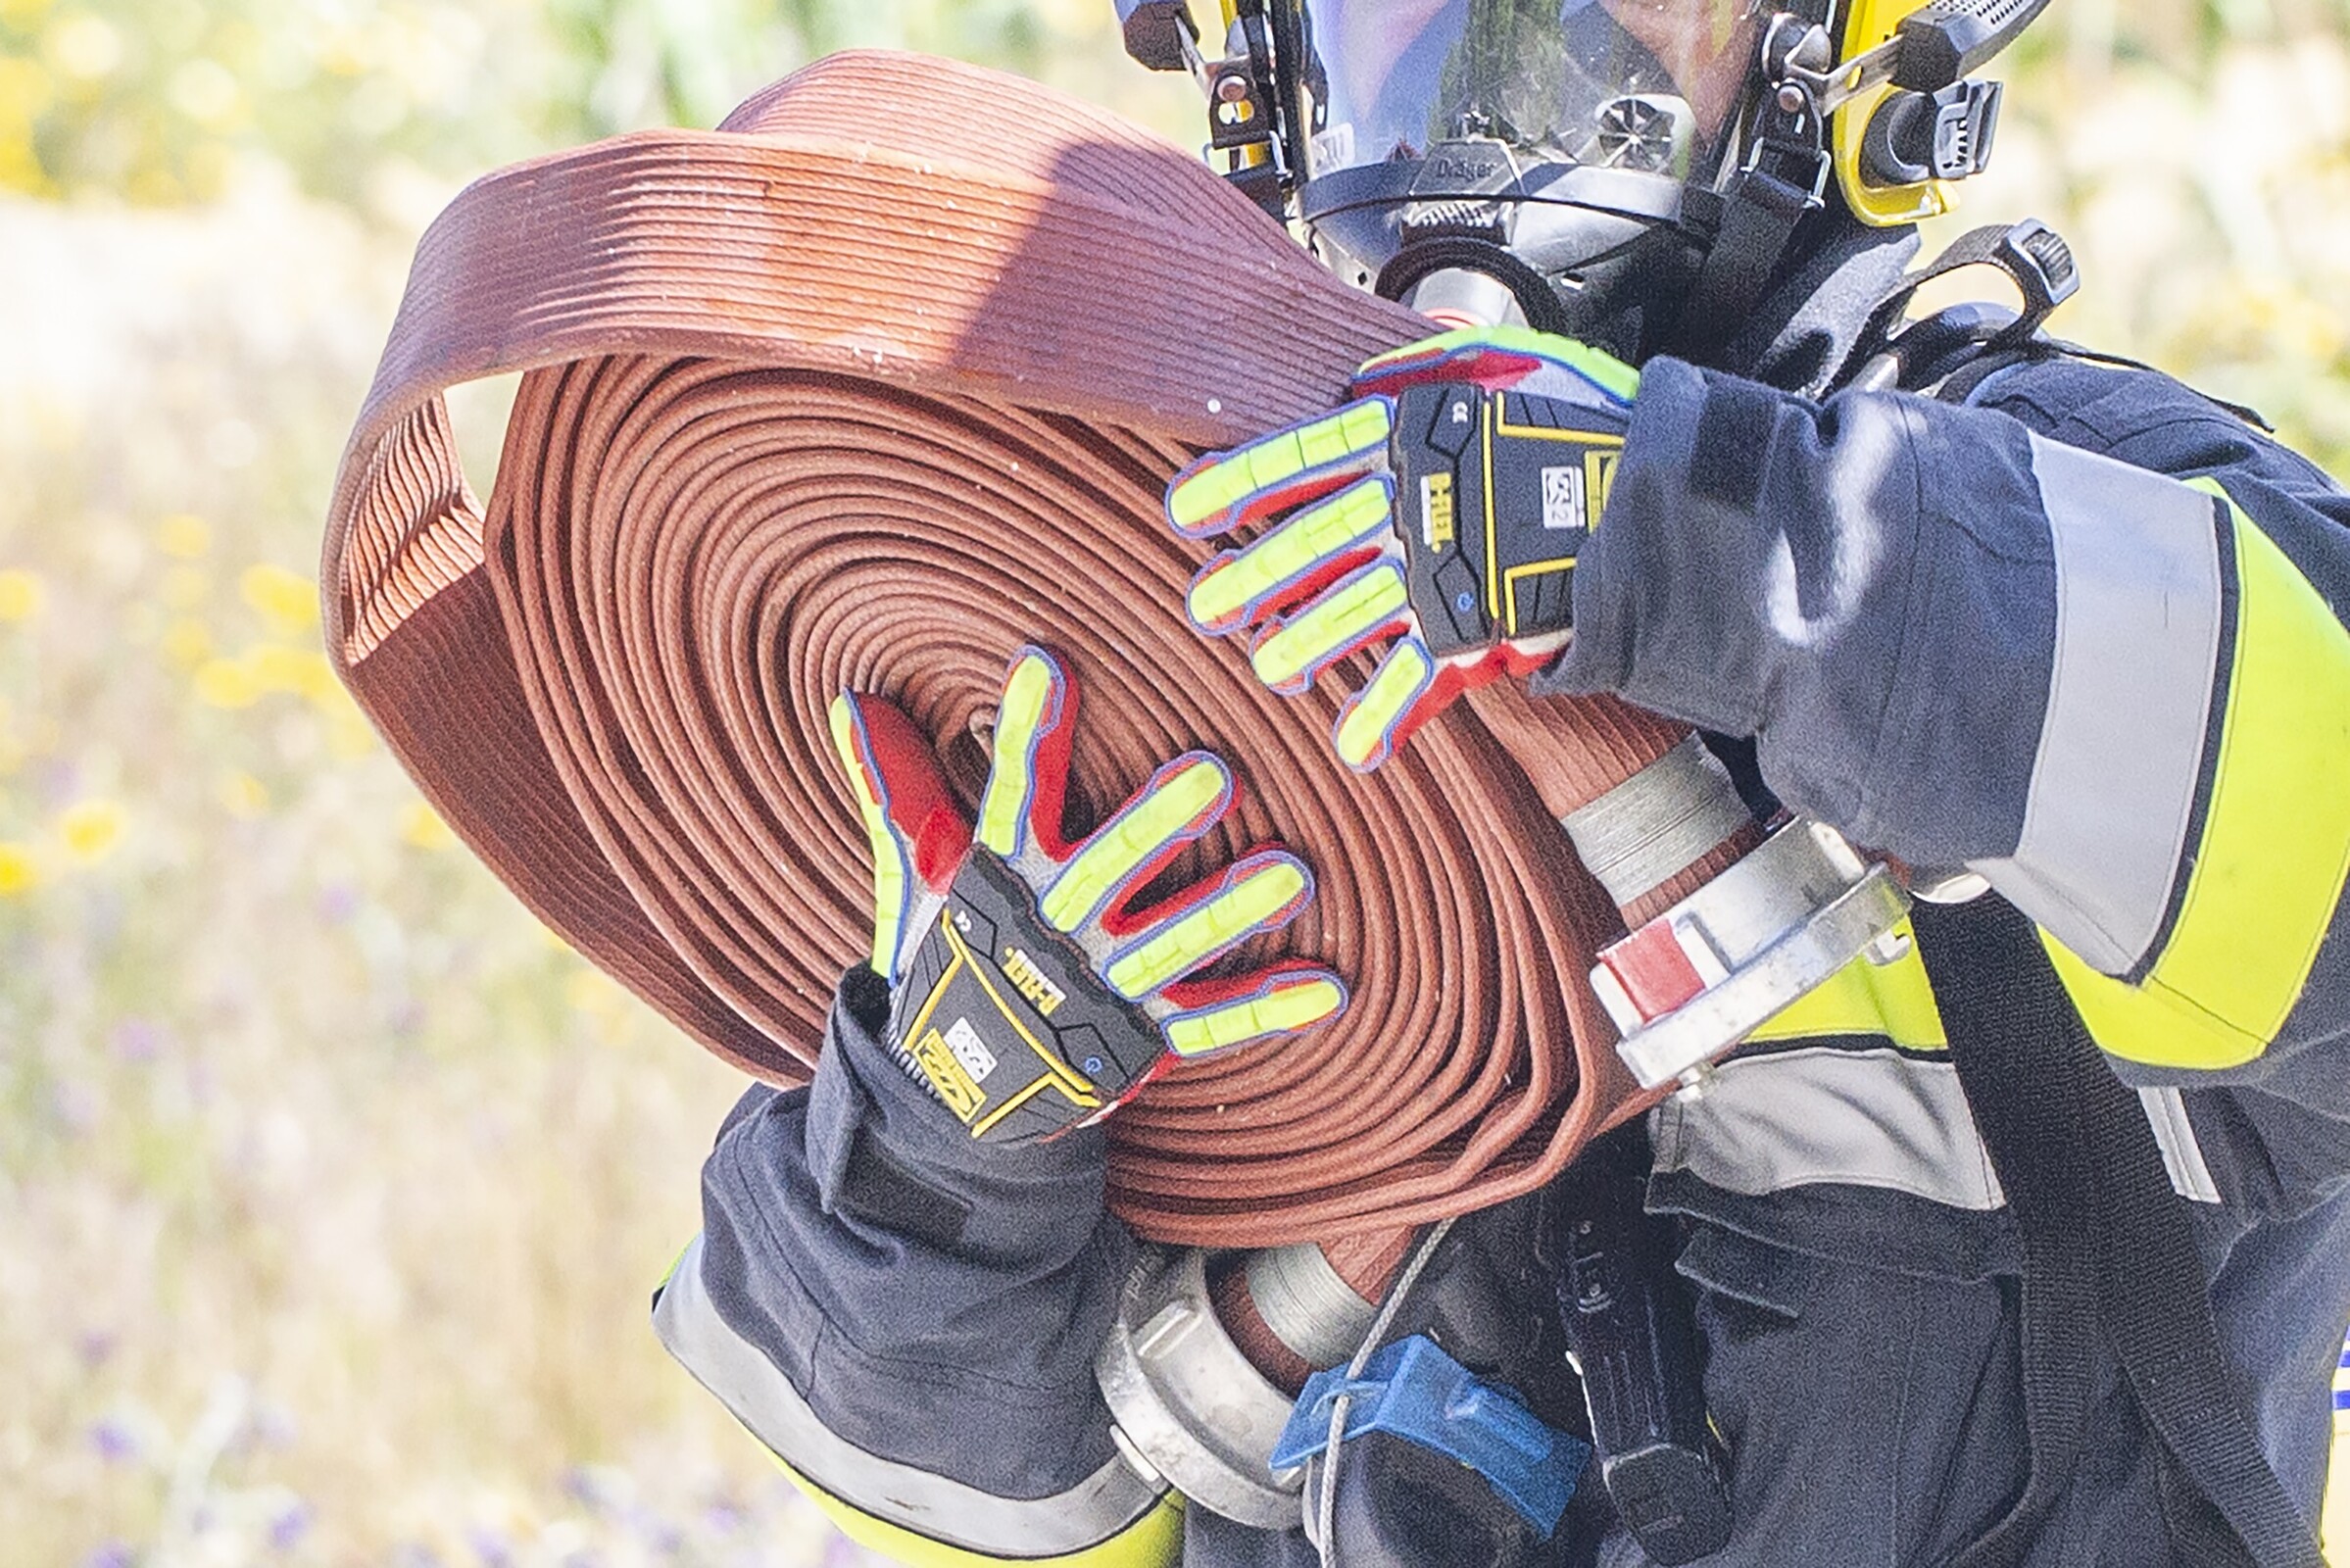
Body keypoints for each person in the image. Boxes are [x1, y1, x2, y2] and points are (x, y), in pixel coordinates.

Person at [652, 2, 2350, 1564]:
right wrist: (944, 1145)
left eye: (1629, 29)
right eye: (1396, 26)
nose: (1489, 120)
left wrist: (1711, 548)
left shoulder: (2038, 510)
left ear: (1842, 72)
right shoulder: (1143, 617)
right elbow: (966, 1516)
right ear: (1261, 90)